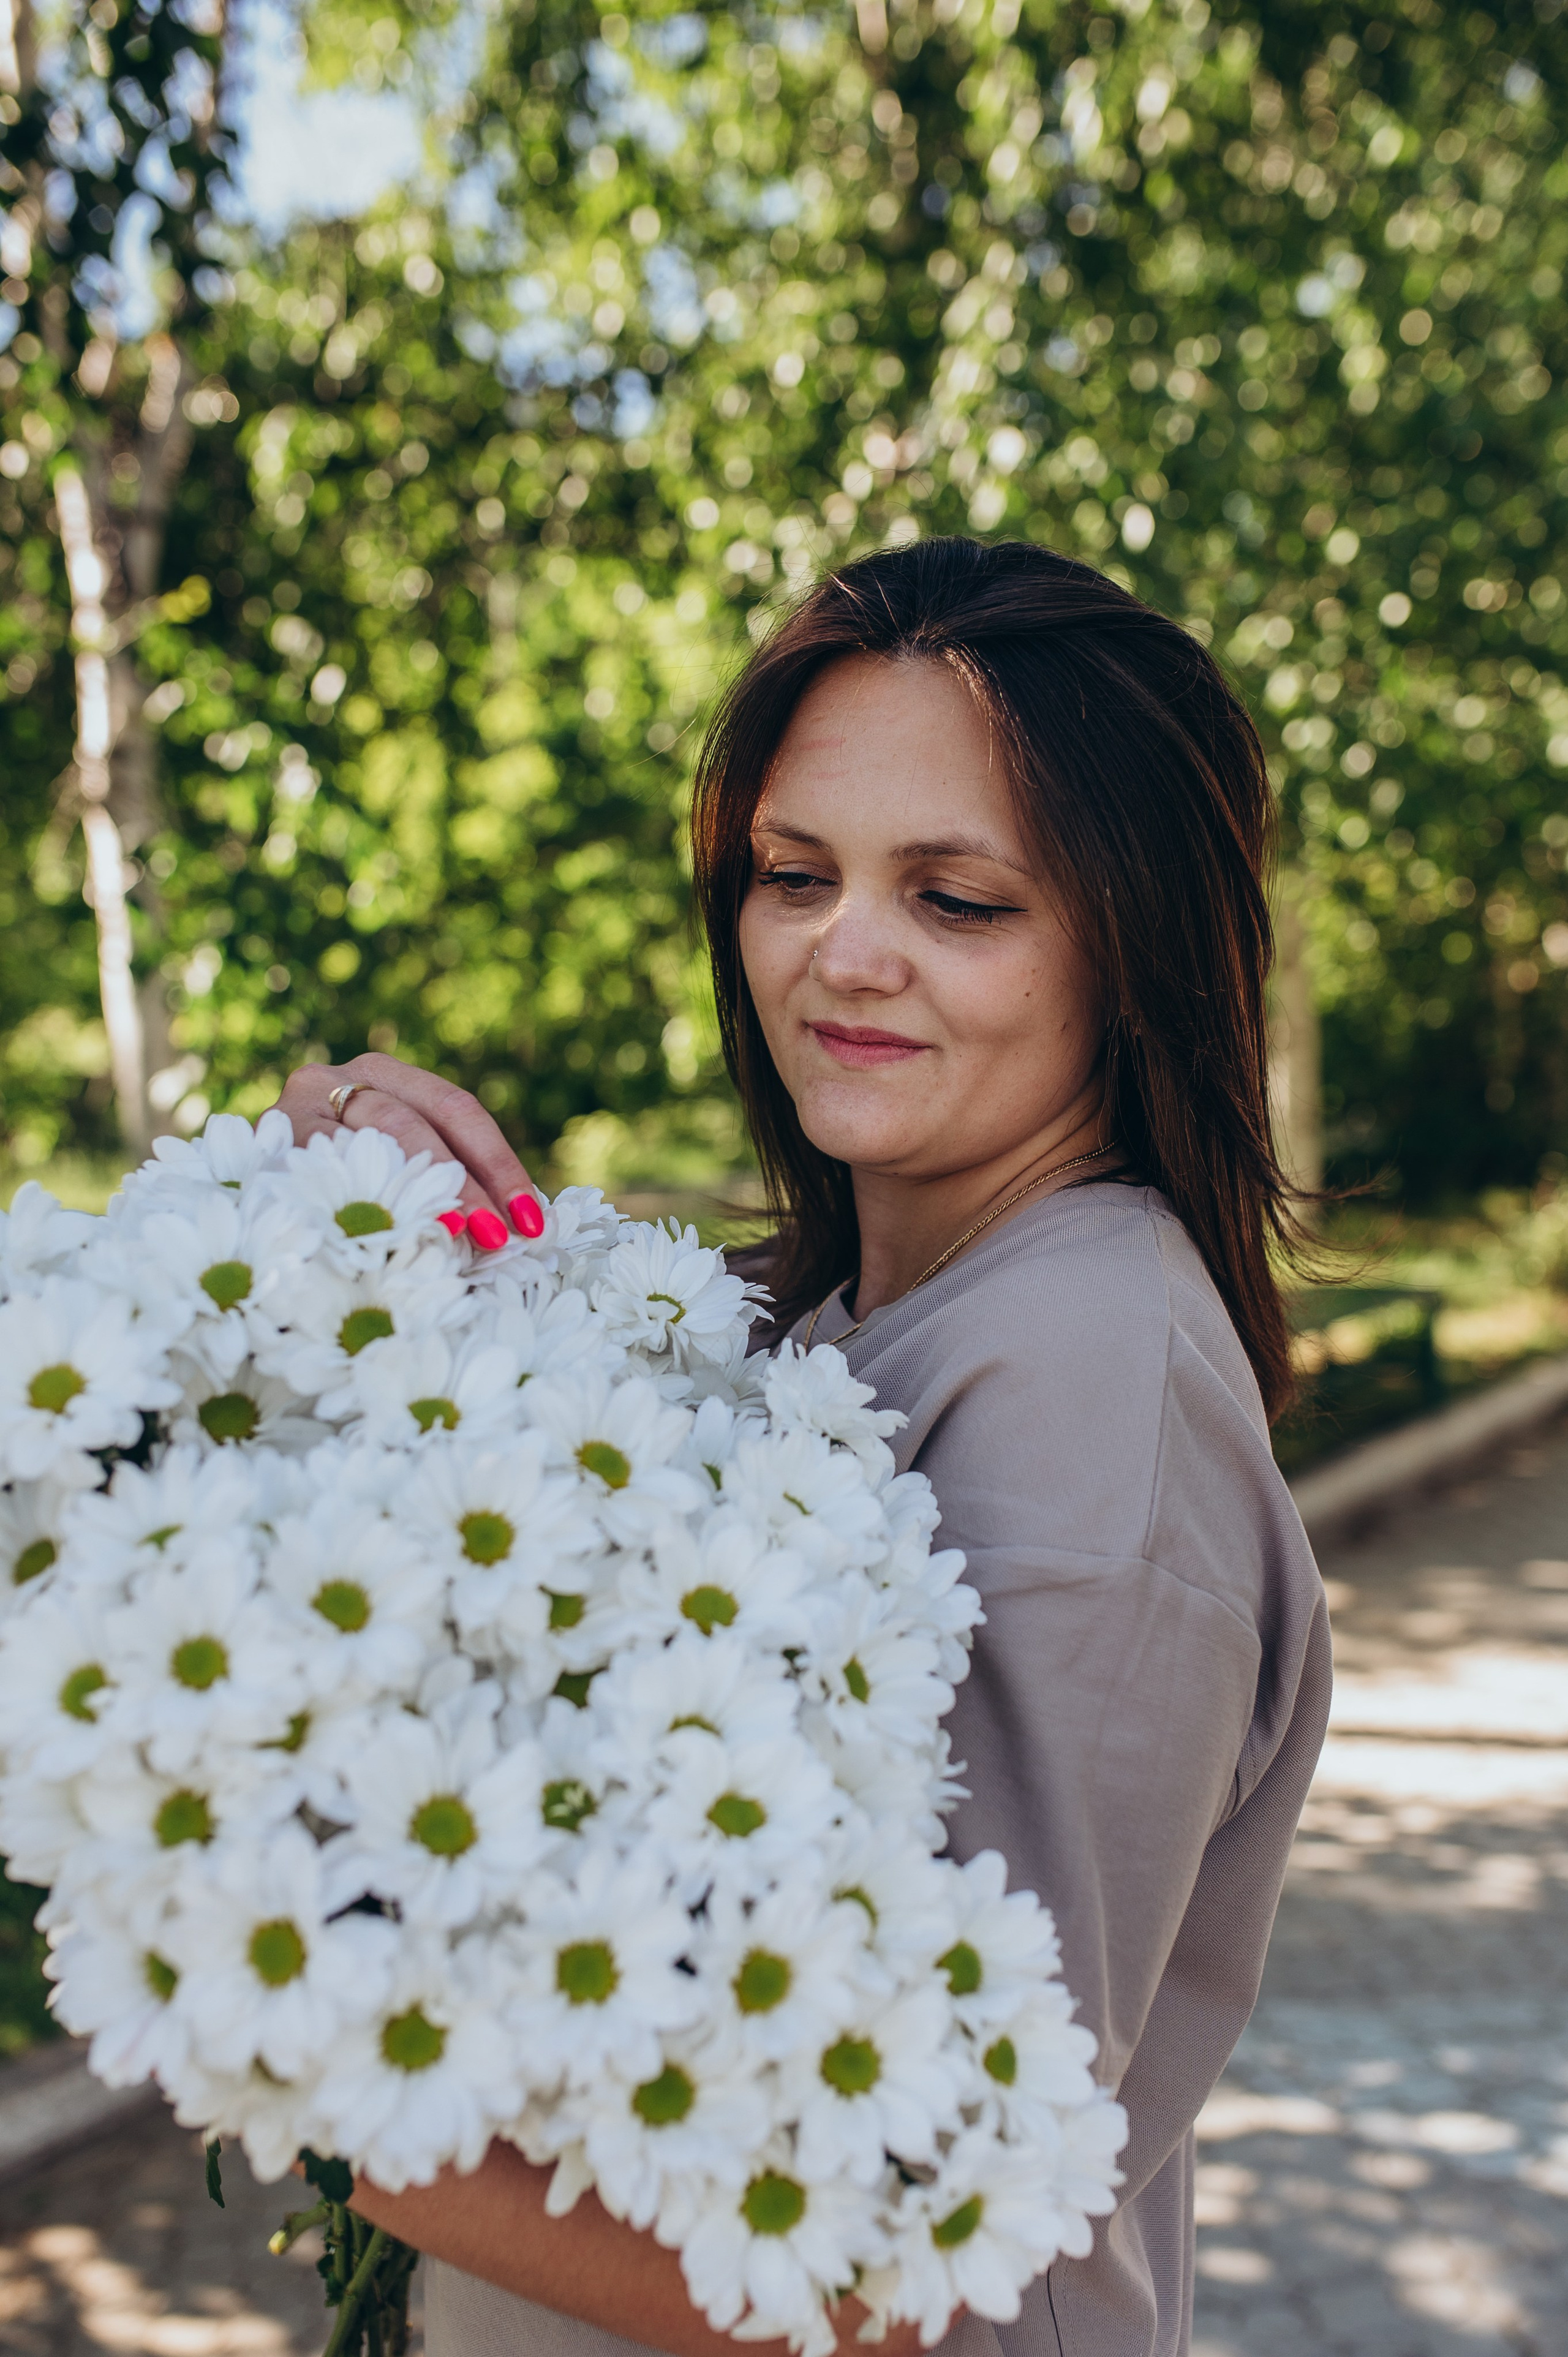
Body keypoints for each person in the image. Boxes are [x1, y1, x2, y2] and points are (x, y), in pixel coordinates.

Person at [274, 538, 1331, 2357]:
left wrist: (298, 2021)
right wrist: (374, 1270)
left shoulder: (1090, 1386)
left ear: (1132, 942)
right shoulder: (865, 1314)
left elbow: (904, 2266)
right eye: (793, 874)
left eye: (961, 900)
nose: (846, 950)